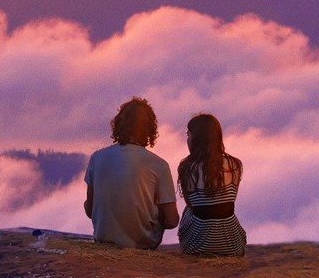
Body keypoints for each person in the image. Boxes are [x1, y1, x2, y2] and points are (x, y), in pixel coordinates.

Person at [84, 97, 179, 249]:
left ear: (118, 125)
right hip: (143, 245)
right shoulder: (159, 165)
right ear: (150, 129)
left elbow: (89, 210)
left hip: (103, 241)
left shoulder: (97, 157)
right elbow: (172, 221)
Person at [176, 111, 247, 258]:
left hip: (196, 246)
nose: (187, 139)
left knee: (187, 210)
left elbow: (190, 204)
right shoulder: (235, 165)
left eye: (188, 135)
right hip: (232, 245)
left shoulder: (187, 168)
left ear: (196, 139)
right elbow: (228, 201)